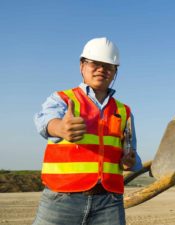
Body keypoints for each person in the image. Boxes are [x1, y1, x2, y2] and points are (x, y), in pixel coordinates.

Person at [33, 37, 142, 225]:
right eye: (95, 64)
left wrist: (129, 161)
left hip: (109, 202)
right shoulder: (63, 99)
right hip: (62, 200)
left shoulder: (124, 111)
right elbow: (44, 121)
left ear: (115, 71)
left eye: (108, 66)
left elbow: (131, 156)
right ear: (82, 66)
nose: (102, 69)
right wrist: (60, 127)